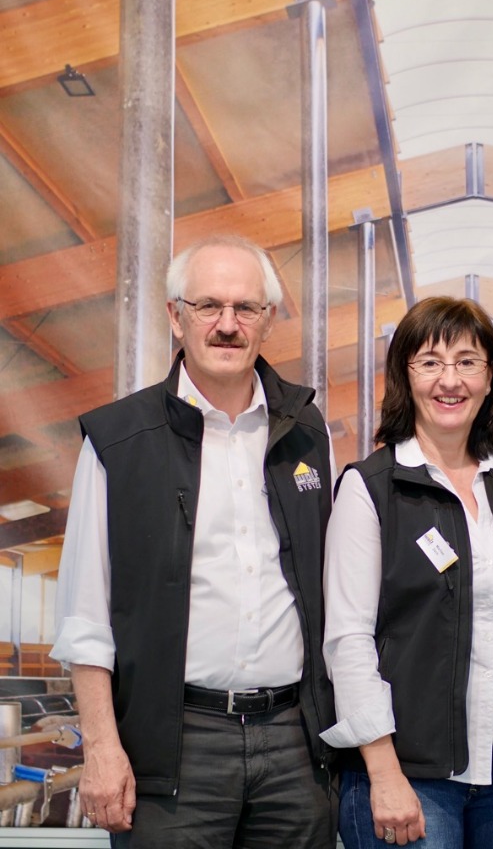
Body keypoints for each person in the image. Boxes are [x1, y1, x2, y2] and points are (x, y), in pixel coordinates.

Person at [51, 234, 337, 848]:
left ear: (269, 320)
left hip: (294, 746)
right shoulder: (118, 440)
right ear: (175, 316)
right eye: (208, 306)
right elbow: (86, 617)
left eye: (246, 308)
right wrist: (101, 747)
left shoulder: (307, 433)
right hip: (174, 746)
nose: (227, 325)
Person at [322, 296, 493, 849]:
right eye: (430, 362)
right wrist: (383, 771)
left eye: (467, 361)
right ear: (405, 375)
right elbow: (348, 639)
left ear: (490, 376)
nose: (449, 380)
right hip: (411, 778)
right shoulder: (372, 487)